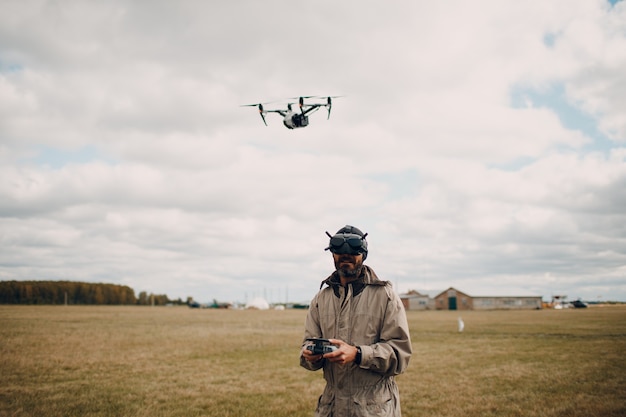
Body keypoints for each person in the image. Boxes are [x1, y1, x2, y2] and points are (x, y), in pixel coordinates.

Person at [300, 225, 412, 417]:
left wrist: (358, 354)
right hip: (332, 407)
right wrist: (311, 355)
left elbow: (399, 355)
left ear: (364, 255)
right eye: (339, 252)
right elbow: (307, 348)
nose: (346, 256)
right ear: (332, 255)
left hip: (374, 409)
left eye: (353, 252)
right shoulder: (321, 299)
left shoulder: (385, 296)